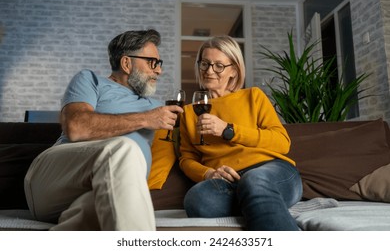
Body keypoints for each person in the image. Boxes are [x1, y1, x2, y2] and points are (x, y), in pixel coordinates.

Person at [24, 29, 183, 231]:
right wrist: (146, 119)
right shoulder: (91, 81)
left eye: (159, 64)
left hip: (107, 189)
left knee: (104, 215)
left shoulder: (158, 107)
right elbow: (76, 127)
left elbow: (194, 135)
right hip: (52, 181)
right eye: (152, 63)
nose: (159, 71)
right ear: (126, 63)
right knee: (125, 148)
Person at [179, 35, 303, 231]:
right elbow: (186, 159)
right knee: (197, 199)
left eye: (219, 65)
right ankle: (261, 204)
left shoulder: (253, 96)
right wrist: (208, 173)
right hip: (227, 183)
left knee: (254, 180)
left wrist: (229, 130)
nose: (209, 71)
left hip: (271, 171)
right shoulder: (188, 112)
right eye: (205, 64)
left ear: (234, 70)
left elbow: (282, 143)